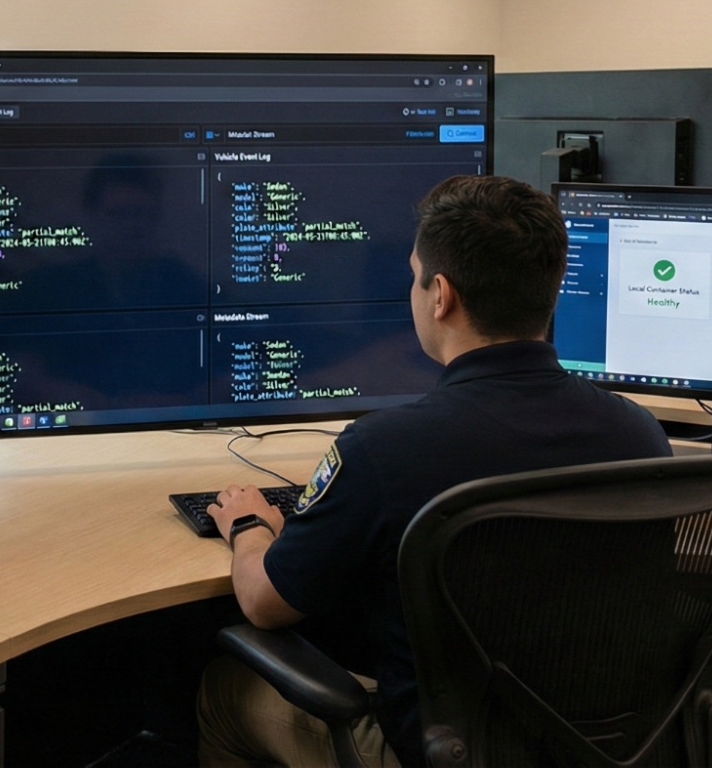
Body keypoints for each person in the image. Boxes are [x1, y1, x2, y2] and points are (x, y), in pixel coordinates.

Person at [197, 174, 671, 768]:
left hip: (443, 753)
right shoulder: (639, 433)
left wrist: (249, 528)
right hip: (604, 749)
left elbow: (266, 604)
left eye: (414, 276)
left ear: (440, 294)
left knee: (225, 690)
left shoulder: (385, 448)